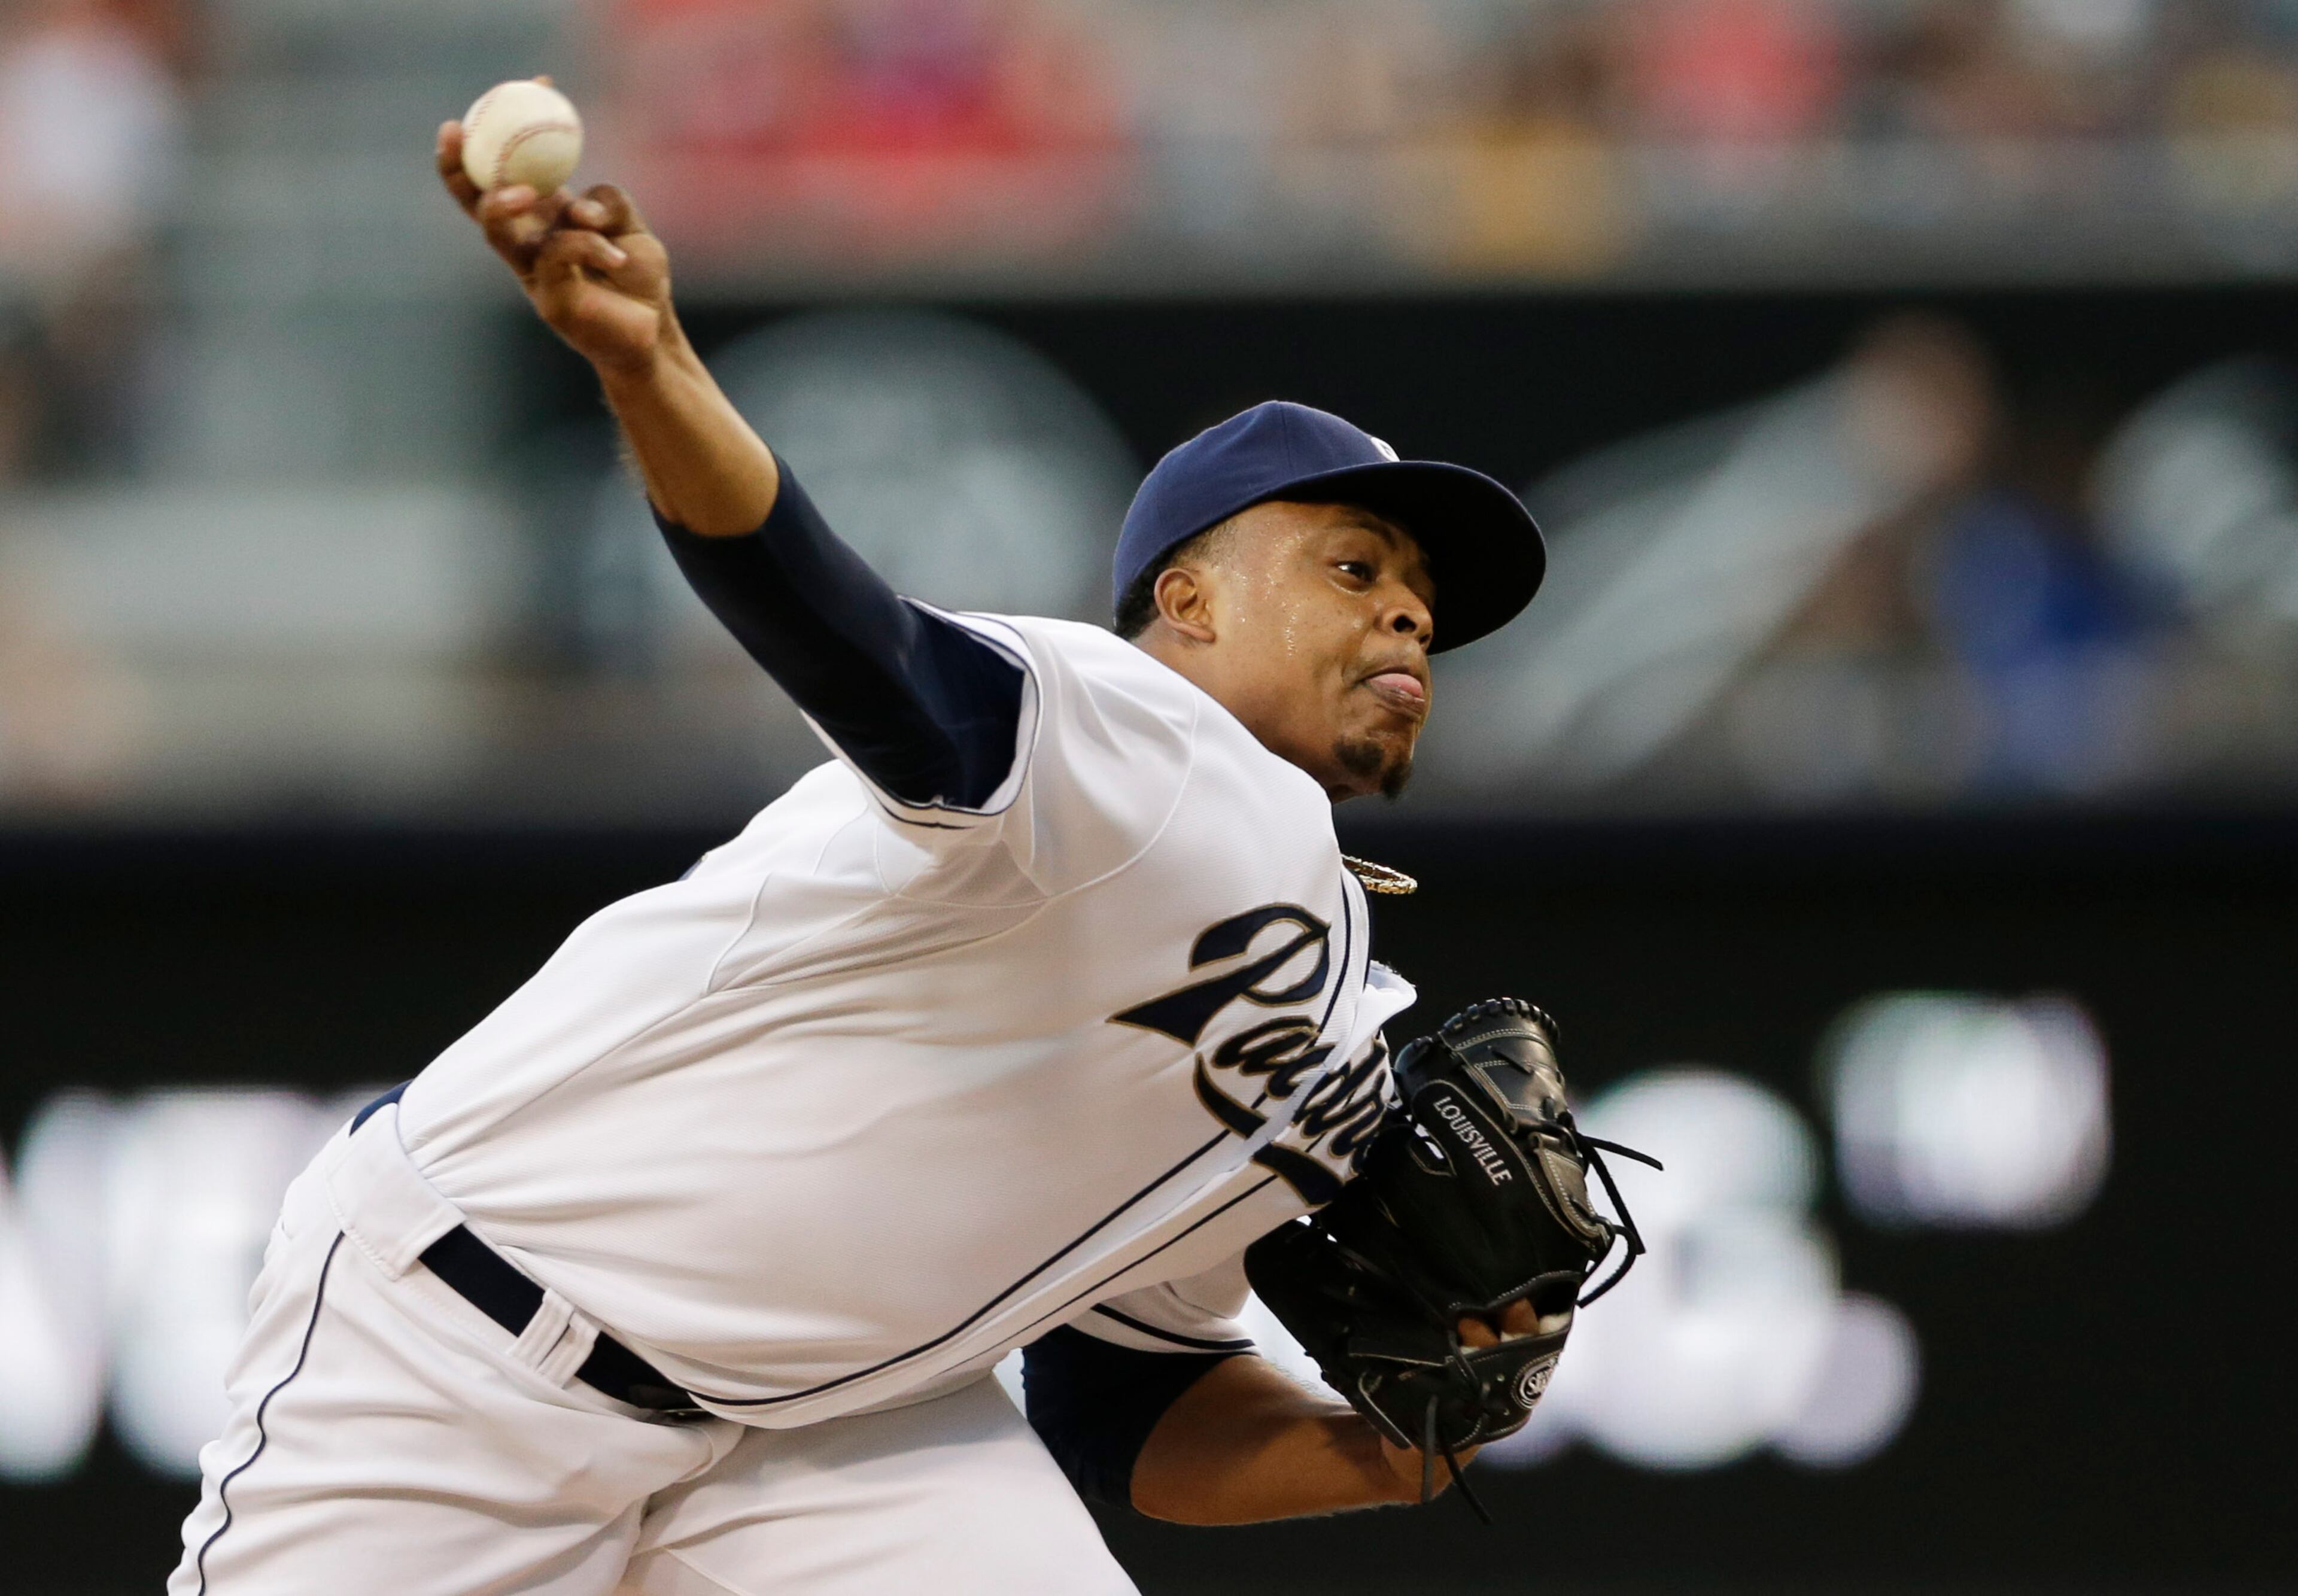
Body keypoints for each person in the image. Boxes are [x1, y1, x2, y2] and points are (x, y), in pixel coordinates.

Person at [167, 110, 1548, 1596]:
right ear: (1189, 600)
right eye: (1353, 566)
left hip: (828, 1429)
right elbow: (867, 653)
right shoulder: (1126, 733)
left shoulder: (1332, 1008)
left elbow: (1123, 1400)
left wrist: (1403, 1446)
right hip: (462, 1344)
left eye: (1425, 601)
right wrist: (651, 369)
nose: (1408, 614)